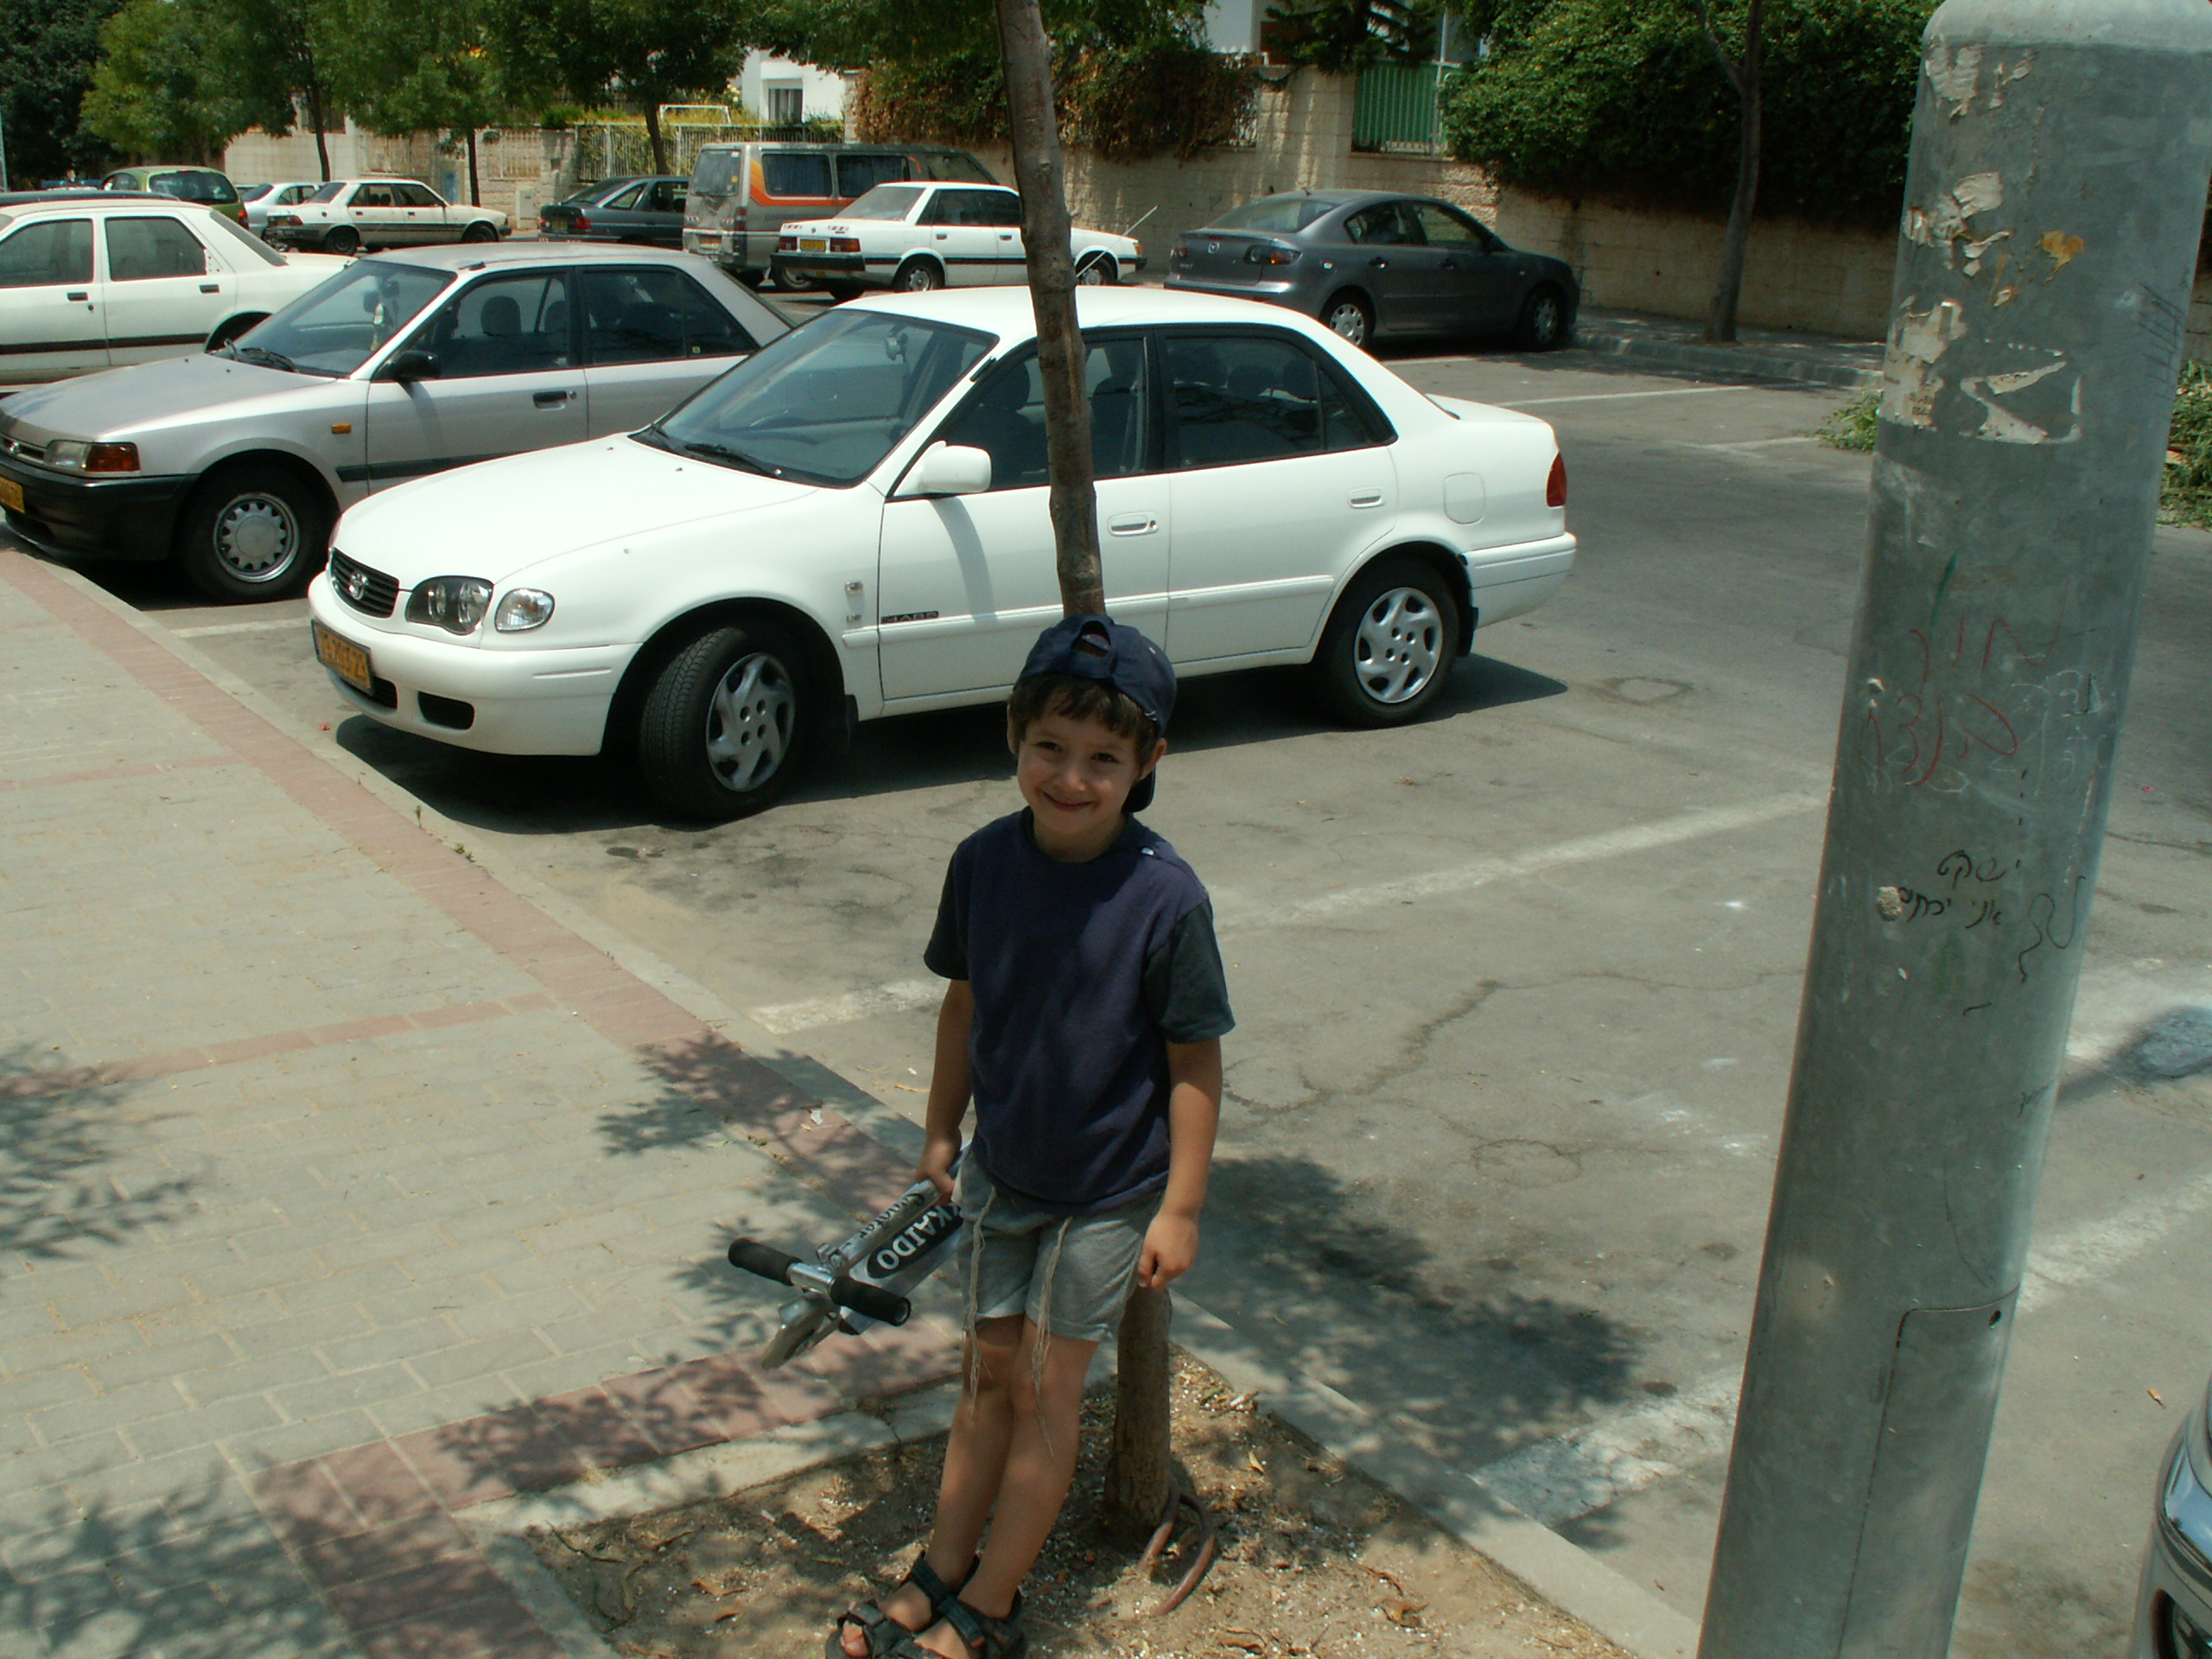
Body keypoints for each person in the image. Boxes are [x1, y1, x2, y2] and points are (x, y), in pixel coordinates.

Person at [835, 615, 1234, 1659]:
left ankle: (993, 1599)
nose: (1071, 777)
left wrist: (1182, 1207)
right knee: (984, 1382)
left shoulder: (1164, 898)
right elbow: (962, 1006)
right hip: (1000, 1178)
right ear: (1013, 735)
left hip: (1105, 1198)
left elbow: (1194, 1063)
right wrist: (938, 1130)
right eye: (1050, 747)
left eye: (1104, 758)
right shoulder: (981, 864)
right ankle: (939, 1567)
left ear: (1147, 763)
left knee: (1049, 1396)